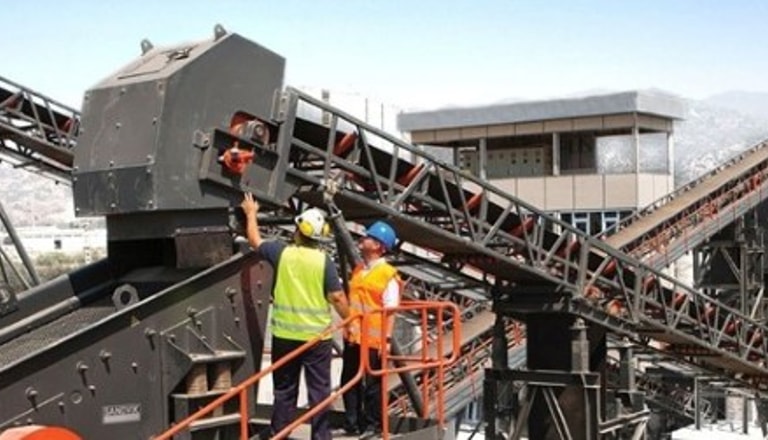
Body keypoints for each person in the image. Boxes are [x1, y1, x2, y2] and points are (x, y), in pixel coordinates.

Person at [241, 193, 350, 440]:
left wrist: (250, 213)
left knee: (284, 389)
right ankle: (321, 436)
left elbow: (254, 240)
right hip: (316, 339)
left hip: (285, 336)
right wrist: (351, 319)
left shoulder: (282, 253)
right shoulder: (324, 262)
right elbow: (337, 298)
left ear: (299, 230)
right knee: (319, 391)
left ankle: (280, 433)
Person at [339, 220, 401, 439]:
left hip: (374, 339)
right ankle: (352, 423)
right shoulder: (359, 270)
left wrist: (386, 339)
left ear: (379, 246)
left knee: (373, 384)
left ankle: (374, 426)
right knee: (349, 380)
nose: (362, 239)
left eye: (368, 237)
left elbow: (390, 310)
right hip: (354, 336)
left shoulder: (387, 274)